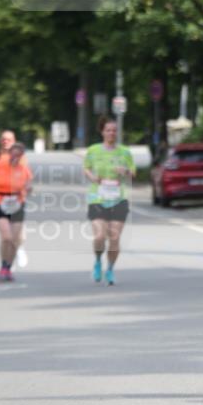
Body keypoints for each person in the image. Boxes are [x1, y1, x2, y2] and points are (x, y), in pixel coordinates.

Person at [83, 116, 135, 285]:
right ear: (102, 132)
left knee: (114, 238)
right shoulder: (93, 150)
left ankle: (110, 268)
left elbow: (133, 173)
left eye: (114, 130)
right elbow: (86, 168)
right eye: (108, 130)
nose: (111, 133)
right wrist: (93, 177)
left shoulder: (125, 152)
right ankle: (98, 261)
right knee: (99, 236)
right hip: (97, 197)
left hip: (119, 198)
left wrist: (125, 171)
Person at [0, 135, 33, 282]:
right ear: (9, 153)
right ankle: (3, 267)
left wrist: (28, 189)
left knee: (15, 240)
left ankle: (8, 266)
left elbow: (29, 185)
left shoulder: (23, 168)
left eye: (19, 155)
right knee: (6, 237)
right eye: (13, 154)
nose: (15, 158)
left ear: (22, 156)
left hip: (17, 204)